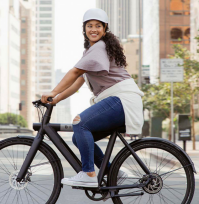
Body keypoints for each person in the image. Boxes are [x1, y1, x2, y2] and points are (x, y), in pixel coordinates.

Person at [41, 8, 144, 188]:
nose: (93, 29)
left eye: (98, 26)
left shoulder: (100, 47)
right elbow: (79, 81)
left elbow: (75, 72)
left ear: (105, 29)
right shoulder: (92, 51)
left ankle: (88, 173)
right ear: (84, 29)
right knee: (78, 137)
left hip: (122, 99)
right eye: (90, 26)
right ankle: (113, 172)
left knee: (80, 123)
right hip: (119, 99)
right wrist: (56, 99)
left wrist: (52, 91)